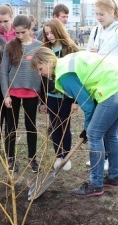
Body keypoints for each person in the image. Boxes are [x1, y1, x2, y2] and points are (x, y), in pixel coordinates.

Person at [31, 47, 118, 196]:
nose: (40, 73)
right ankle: (113, 178)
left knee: (94, 134)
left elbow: (87, 105)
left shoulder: (64, 75)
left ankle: (95, 184)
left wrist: (87, 128)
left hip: (114, 88)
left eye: (40, 69)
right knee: (110, 133)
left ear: (49, 62)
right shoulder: (65, 62)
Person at [85, 0, 118, 170]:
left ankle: (102, 168)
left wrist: (102, 57)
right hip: (101, 84)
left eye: (101, 14)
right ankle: (111, 170)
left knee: (102, 130)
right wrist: (91, 56)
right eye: (96, 14)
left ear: (112, 12)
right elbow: (90, 52)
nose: (98, 18)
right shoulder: (96, 30)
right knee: (107, 129)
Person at [0, 15, 43, 173]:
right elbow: (4, 72)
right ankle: (10, 158)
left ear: (30, 28)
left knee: (31, 126)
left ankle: (32, 159)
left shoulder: (39, 46)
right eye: (16, 32)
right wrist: (6, 94)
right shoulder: (10, 46)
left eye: (22, 32)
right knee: (11, 126)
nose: (19, 35)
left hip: (31, 94)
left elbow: (43, 72)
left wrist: (42, 98)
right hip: (13, 94)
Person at [39, 18, 80, 171]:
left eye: (51, 33)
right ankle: (58, 156)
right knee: (55, 126)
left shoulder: (70, 49)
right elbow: (41, 77)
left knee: (65, 125)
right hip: (51, 96)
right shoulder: (45, 49)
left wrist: (76, 100)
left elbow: (77, 76)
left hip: (67, 96)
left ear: (59, 30)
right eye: (46, 33)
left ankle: (66, 156)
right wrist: (42, 101)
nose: (49, 36)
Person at [0, 4, 15, 160]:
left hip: (14, 83)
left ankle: (9, 151)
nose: (2, 24)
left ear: (11, 18)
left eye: (5, 21)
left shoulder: (18, 34)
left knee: (11, 118)